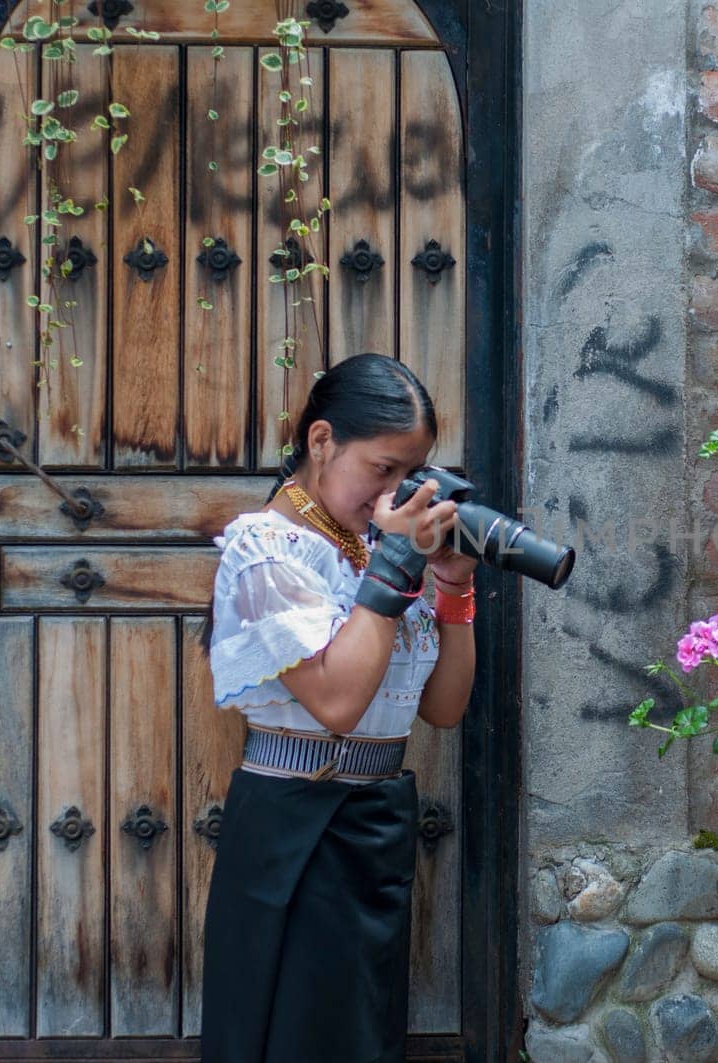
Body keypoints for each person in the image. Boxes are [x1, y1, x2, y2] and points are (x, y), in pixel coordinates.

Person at [198, 352, 478, 1062]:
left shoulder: (371, 551)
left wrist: (453, 591)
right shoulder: (267, 549)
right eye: (382, 469)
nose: (396, 491)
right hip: (295, 821)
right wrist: (392, 564)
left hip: (377, 818)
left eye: (410, 473)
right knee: (290, 1036)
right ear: (320, 441)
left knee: (361, 1039)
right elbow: (338, 701)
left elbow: (444, 709)